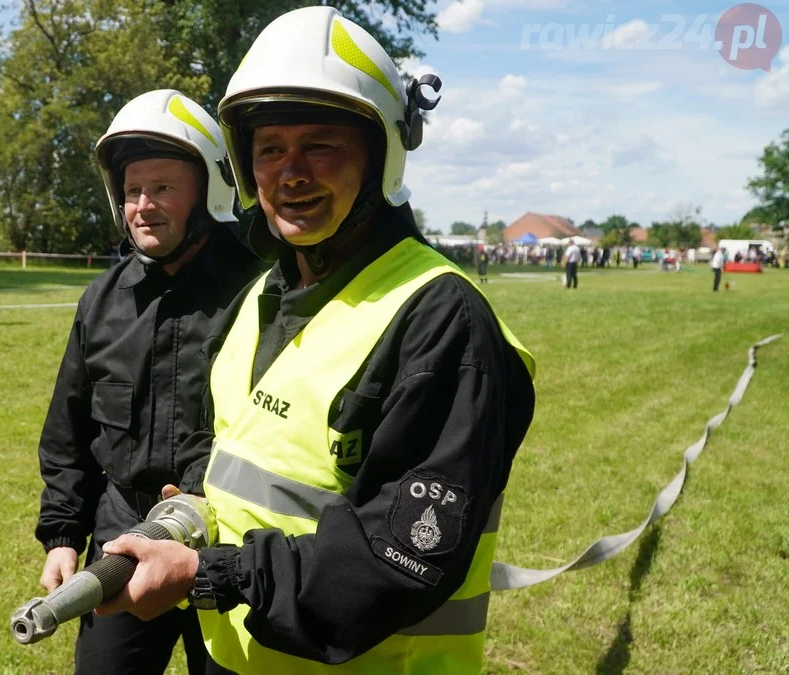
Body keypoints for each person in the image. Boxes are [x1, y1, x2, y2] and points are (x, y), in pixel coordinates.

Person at [94, 9, 536, 674]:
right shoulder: (264, 297)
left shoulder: (442, 318)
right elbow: (242, 450)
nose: (291, 173)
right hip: (241, 652)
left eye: (320, 146)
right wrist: (191, 505)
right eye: (271, 149)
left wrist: (213, 571)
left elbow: (402, 553)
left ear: (379, 155)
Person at [33, 89, 262, 675]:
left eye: (163, 187)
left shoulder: (264, 292)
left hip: (232, 548)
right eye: (133, 190)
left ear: (209, 193)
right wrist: (63, 534)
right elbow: (69, 431)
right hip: (122, 538)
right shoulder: (102, 301)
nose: (143, 205)